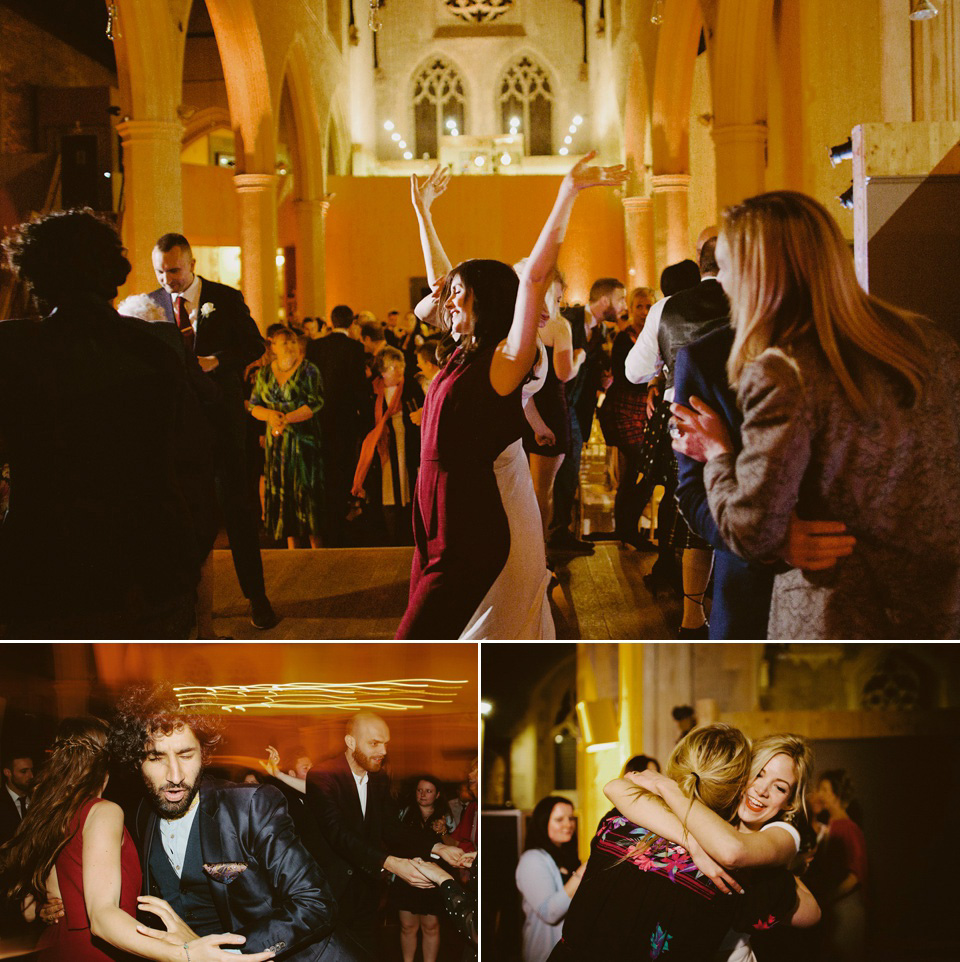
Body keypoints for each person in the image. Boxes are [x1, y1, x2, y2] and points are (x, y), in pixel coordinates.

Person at [670, 190, 960, 638]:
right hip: (937, 610)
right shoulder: (927, 341)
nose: (720, 283)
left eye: (725, 268)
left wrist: (720, 455)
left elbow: (751, 530)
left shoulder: (782, 368)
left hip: (834, 614)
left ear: (755, 274)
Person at [395, 153, 627, 638]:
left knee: (428, 639)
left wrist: (566, 194)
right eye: (451, 293)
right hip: (438, 513)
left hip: (476, 518)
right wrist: (423, 215)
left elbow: (535, 279)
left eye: (462, 293)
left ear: (491, 302)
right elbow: (441, 283)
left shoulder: (506, 362)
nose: (448, 299)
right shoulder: (461, 350)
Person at [0, 210, 198, 638]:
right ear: (112, 274)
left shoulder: (13, 355)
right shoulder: (159, 350)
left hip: (46, 565)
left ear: (35, 278)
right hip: (151, 564)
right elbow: (193, 461)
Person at [110, 684, 364, 962]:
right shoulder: (140, 816)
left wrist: (226, 954)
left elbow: (316, 903)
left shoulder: (250, 805)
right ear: (137, 761)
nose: (175, 774)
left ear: (204, 753)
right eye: (156, 757)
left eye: (185, 754)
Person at [0, 717, 270, 962]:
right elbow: (103, 917)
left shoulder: (46, 814)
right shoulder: (103, 812)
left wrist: (46, 910)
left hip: (53, 947)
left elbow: (28, 910)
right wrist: (185, 954)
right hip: (96, 952)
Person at [549, 724, 819, 962]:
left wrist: (772, 856)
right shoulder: (733, 874)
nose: (762, 789)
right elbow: (615, 787)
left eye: (780, 787)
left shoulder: (618, 820)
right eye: (758, 774)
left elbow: (734, 852)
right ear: (737, 780)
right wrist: (695, 843)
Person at [149, 233, 276, 630]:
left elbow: (255, 345)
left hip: (222, 420)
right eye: (160, 271)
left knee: (237, 507)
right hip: (177, 427)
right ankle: (187, 602)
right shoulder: (150, 305)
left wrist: (216, 361)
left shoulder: (224, 298)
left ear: (191, 265)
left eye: (174, 270)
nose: (167, 278)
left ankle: (257, 597)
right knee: (180, 511)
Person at [303, 713, 471, 956]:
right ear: (350, 742)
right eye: (374, 743)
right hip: (330, 889)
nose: (383, 750)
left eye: (386, 743)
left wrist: (437, 847)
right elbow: (337, 833)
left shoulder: (379, 777)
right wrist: (391, 863)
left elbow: (391, 827)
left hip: (366, 891)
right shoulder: (323, 775)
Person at [549, 278, 626, 555]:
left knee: (569, 474)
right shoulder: (568, 320)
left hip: (578, 409)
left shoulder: (602, 331)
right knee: (563, 473)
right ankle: (555, 535)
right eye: (621, 300)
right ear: (604, 302)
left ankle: (561, 532)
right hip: (558, 407)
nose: (624, 306)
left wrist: (602, 381)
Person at [249, 326, 325, 549]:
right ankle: (293, 551)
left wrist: (287, 419)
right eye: (284, 343)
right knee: (284, 495)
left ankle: (317, 550)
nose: (290, 347)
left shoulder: (309, 370)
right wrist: (271, 416)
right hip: (277, 444)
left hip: (303, 442)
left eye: (293, 342)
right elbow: (254, 406)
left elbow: (316, 402)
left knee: (305, 493)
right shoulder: (264, 373)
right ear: (273, 347)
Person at [592, 286, 656, 547]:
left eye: (648, 306)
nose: (643, 312)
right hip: (625, 409)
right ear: (631, 308)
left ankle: (628, 528)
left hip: (644, 411)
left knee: (637, 472)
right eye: (639, 306)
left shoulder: (654, 337)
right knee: (640, 468)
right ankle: (627, 528)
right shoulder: (623, 339)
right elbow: (625, 376)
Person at [351, 346, 422, 545]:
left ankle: (409, 534)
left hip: (405, 444)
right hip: (383, 447)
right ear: (382, 371)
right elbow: (367, 421)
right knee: (387, 489)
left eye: (401, 367)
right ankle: (390, 535)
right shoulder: (373, 390)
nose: (399, 372)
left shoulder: (411, 388)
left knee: (407, 486)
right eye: (394, 368)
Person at [311, 304, 369, 546]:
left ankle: (324, 519)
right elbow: (359, 386)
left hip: (320, 417)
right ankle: (340, 518)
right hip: (345, 419)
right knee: (343, 466)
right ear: (351, 322)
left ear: (330, 321)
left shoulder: (317, 345)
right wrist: (366, 419)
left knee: (324, 467)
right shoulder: (355, 348)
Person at [390, 776, 454, 962]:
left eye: (428, 791)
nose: (423, 794)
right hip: (407, 874)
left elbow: (455, 846)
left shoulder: (446, 816)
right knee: (407, 926)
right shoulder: (404, 814)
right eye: (420, 790)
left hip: (434, 878)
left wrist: (442, 832)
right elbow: (394, 841)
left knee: (431, 926)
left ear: (437, 794)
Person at [807, 770, 867, 962]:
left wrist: (829, 897)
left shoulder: (848, 827)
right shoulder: (828, 825)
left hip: (845, 908)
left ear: (837, 794)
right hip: (833, 908)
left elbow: (857, 874)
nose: (820, 794)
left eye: (824, 789)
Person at [515, 796, 584, 962]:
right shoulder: (532, 859)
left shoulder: (567, 857)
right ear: (542, 822)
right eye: (559, 819)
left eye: (571, 818)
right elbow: (550, 913)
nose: (568, 825)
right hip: (545, 954)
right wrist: (584, 872)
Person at [0, 751, 33, 847]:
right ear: (7, 773)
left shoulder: (38, 798)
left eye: (31, 770)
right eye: (24, 771)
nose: (31, 776)